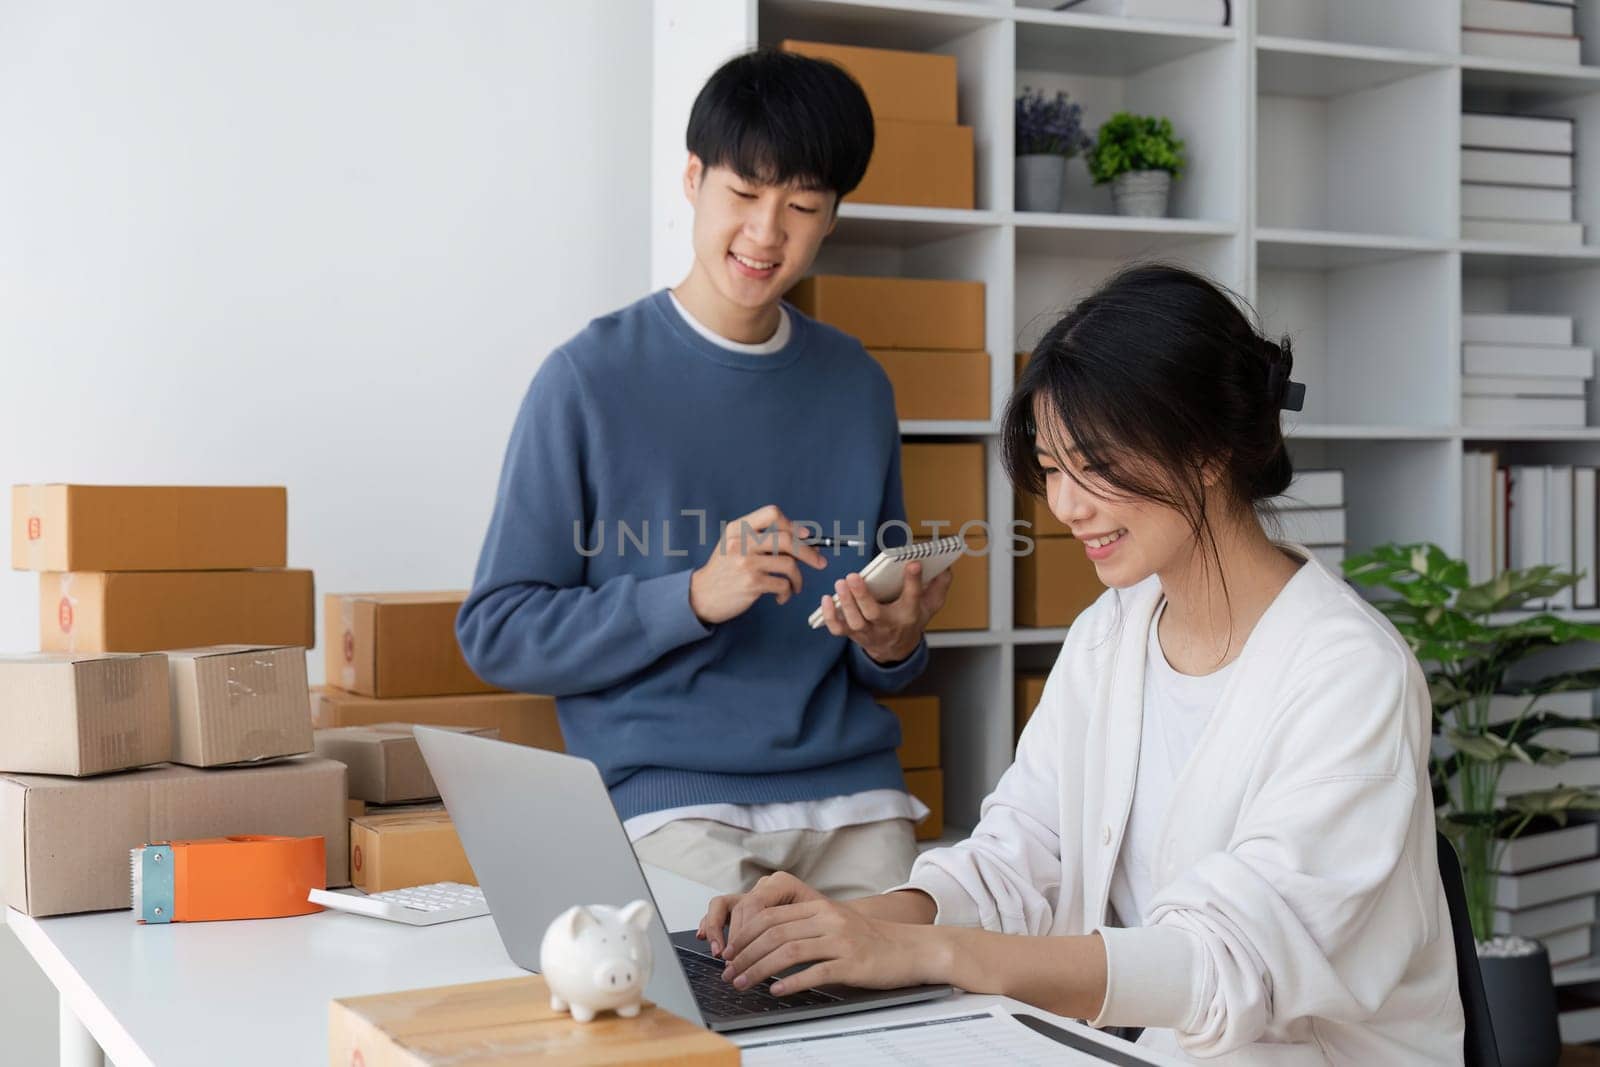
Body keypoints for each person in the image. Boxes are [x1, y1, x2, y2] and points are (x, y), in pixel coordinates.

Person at [693, 265, 1465, 1063]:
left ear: (1204, 450)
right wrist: (849, 925)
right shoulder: (1113, 631)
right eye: (1052, 468)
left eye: (1091, 463)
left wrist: (924, 952)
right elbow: (1020, 855)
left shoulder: (1348, 673)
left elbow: (1221, 964)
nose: (1063, 505)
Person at [456, 49, 952, 898]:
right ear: (693, 178)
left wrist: (895, 640)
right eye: (745, 194)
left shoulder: (856, 385)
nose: (766, 234)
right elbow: (496, 630)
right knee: (729, 1012)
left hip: (857, 802)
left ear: (831, 217)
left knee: (920, 1008)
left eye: (800, 206)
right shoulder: (587, 380)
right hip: (672, 809)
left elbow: (880, 653)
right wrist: (690, 596)